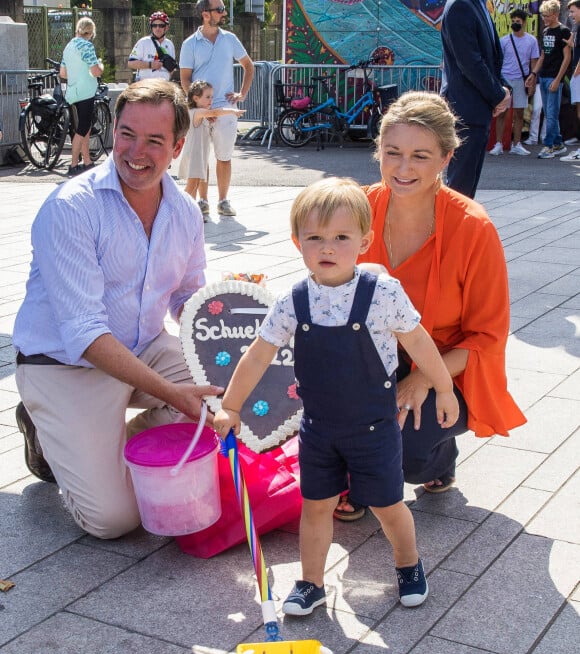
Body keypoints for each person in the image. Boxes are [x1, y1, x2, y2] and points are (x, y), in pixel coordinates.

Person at [214, 177, 461, 615]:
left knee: (388, 505)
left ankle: (408, 563)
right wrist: (231, 406)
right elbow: (257, 355)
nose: (327, 248)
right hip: (319, 429)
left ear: (364, 242)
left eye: (341, 238)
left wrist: (443, 386)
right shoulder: (294, 301)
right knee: (316, 507)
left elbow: (419, 342)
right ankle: (310, 582)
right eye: (315, 238)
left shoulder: (382, 294)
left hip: (375, 428)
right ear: (297, 242)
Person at [12, 79, 223, 540]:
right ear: (113, 131)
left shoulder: (185, 211)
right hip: (64, 365)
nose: (136, 151)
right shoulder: (71, 208)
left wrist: (231, 328)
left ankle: (104, 443)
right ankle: (47, 433)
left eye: (154, 140)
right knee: (115, 521)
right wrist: (170, 393)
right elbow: (85, 335)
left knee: (220, 391)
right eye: (127, 134)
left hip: (141, 348)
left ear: (178, 146)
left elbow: (188, 296)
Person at [334, 92, 526, 521]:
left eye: (420, 156)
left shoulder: (474, 229)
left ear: (446, 158)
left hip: (445, 367)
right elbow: (315, 252)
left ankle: (436, 458)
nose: (403, 169)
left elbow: (487, 338)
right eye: (392, 153)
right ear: (378, 151)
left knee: (409, 450)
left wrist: (425, 378)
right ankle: (358, 473)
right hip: (367, 360)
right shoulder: (355, 209)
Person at [179, 0, 254, 218]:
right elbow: (185, 79)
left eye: (222, 9)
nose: (223, 13)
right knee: (201, 157)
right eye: (219, 9)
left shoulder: (229, 38)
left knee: (224, 156)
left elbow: (248, 66)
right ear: (205, 14)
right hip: (202, 109)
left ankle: (223, 200)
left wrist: (242, 93)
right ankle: (202, 201)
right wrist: (198, 105)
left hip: (224, 104)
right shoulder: (190, 43)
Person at [440, 0, 511, 197]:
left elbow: (490, 58)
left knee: (466, 186)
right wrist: (497, 95)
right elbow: (469, 61)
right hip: (466, 109)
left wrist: (503, 90)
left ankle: (460, 226)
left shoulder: (477, 4)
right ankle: (452, 227)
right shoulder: (460, 5)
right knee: (460, 187)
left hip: (476, 108)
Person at [178, 80, 245, 220]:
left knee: (194, 185)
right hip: (195, 155)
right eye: (207, 97)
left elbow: (209, 116)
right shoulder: (197, 111)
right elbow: (215, 111)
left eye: (212, 97)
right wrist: (232, 110)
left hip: (199, 155)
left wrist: (209, 120)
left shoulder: (200, 113)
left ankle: (191, 214)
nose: (211, 100)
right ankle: (180, 213)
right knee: (191, 187)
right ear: (195, 98)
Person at [490, 9, 540, 156]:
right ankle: (498, 144)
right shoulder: (504, 41)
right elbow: (497, 61)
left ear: (524, 23)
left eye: (518, 21)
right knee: (502, 112)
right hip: (505, 79)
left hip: (521, 80)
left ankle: (516, 144)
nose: (515, 24)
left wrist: (532, 80)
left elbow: (534, 62)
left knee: (519, 113)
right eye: (513, 21)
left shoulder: (531, 41)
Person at [60, 16, 104, 176]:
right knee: (83, 128)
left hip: (73, 92)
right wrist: (101, 65)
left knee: (83, 128)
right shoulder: (87, 46)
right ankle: (73, 164)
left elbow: (63, 73)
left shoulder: (68, 46)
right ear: (91, 32)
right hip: (86, 91)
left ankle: (87, 161)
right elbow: (95, 71)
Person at [531, 0, 572, 158]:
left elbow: (566, 58)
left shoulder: (564, 31)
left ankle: (550, 145)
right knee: (549, 114)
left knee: (552, 114)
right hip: (544, 76)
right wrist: (534, 74)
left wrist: (558, 79)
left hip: (555, 77)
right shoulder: (545, 31)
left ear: (555, 15)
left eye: (547, 16)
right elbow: (542, 56)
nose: (544, 19)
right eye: (543, 15)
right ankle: (558, 143)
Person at [128, 11, 177, 82]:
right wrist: (150, 65)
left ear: (166, 27)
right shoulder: (143, 42)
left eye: (161, 25)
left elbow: (172, 69)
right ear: (151, 27)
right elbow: (131, 63)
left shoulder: (170, 44)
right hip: (145, 85)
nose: (157, 28)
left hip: (164, 85)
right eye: (154, 25)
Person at [560, 0, 580, 161]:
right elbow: (575, 45)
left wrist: (576, 73)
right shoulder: (578, 27)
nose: (571, 15)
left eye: (573, 11)